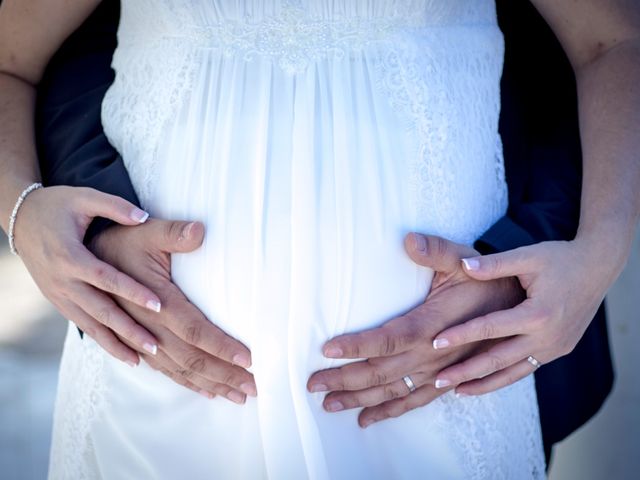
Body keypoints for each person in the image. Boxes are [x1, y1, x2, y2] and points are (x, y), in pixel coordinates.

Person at [1, 0, 638, 478]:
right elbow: (10, 59)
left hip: (442, 386)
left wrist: (600, 252)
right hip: (159, 385)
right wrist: (21, 210)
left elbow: (614, 40)